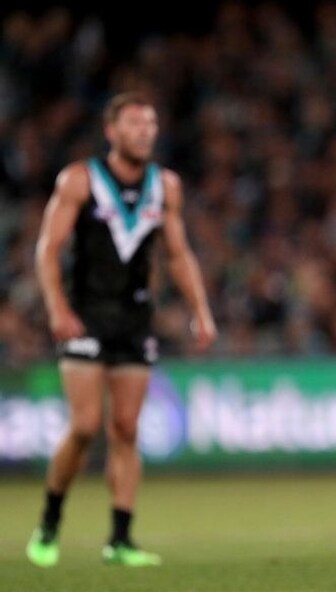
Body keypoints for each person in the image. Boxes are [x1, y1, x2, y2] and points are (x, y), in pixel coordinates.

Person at [26, 91, 217, 568]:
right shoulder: (80, 179)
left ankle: (120, 539)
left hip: (135, 318)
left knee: (127, 428)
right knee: (85, 426)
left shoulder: (165, 186)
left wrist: (200, 310)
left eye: (150, 124)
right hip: (86, 315)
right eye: (134, 124)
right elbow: (48, 248)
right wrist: (57, 308)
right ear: (111, 132)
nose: (145, 132)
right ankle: (49, 521)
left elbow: (178, 254)